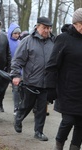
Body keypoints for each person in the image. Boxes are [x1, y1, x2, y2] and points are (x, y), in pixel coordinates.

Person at [10, 16, 55, 141]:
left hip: (46, 82)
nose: (47, 31)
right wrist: (16, 75)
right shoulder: (28, 41)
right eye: (44, 28)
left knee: (41, 108)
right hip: (31, 81)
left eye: (49, 28)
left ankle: (38, 132)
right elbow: (18, 60)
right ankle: (18, 119)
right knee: (27, 105)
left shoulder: (53, 42)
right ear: (37, 27)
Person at [46, 8, 82, 150]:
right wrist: (50, 87)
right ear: (76, 23)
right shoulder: (63, 39)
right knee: (68, 120)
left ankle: (75, 147)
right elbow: (52, 65)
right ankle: (59, 145)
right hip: (67, 89)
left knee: (81, 123)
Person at [7, 22, 21, 115]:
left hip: (18, 69)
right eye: (15, 33)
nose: (17, 35)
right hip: (7, 68)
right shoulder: (6, 42)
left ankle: (17, 107)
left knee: (17, 89)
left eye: (18, 33)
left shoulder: (20, 43)